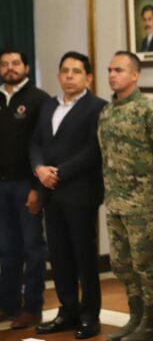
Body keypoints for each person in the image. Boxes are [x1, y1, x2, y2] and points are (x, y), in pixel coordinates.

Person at [31, 52, 106, 339]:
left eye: (76, 71)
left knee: (84, 259)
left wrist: (58, 173)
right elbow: (36, 142)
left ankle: (89, 316)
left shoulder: (97, 107)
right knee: (60, 258)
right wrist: (40, 169)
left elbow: (92, 151)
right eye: (65, 71)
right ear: (59, 75)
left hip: (80, 195)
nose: (70, 76)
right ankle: (67, 311)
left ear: (88, 77)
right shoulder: (49, 105)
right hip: (51, 194)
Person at [98, 51, 153, 341]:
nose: (112, 75)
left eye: (119, 70)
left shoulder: (149, 110)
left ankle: (150, 324)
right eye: (110, 70)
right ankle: (135, 318)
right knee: (121, 265)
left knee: (146, 266)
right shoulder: (106, 112)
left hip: (143, 203)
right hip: (114, 202)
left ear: (135, 74)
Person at [0, 50, 49, 330]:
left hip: (26, 186)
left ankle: (32, 308)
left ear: (27, 67)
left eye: (16, 63)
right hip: (1, 186)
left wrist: (36, 188)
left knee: (33, 249)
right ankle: (8, 304)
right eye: (4, 64)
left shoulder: (39, 100)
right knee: (6, 249)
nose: (10, 68)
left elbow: (43, 145)